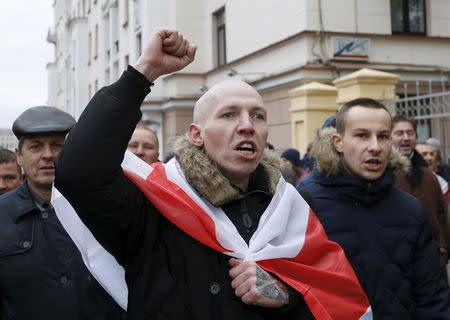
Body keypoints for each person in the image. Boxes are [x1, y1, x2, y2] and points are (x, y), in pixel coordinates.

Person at [54, 29, 374, 320]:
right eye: (229, 114)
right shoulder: (152, 203)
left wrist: (285, 295)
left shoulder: (291, 207)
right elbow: (78, 171)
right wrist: (141, 75)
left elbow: (332, 299)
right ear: (197, 134)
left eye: (258, 116)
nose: (247, 124)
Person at [298, 98, 449, 319]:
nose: (375, 147)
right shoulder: (306, 201)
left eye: (383, 136)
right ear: (338, 142)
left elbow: (432, 296)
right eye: (362, 136)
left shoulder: (411, 210)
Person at [0, 106, 125, 319]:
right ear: (19, 156)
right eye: (36, 147)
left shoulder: (107, 207)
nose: (48, 155)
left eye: (57, 145)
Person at [391, 115, 448, 267]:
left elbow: (441, 213)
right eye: (399, 133)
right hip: (398, 259)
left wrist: (443, 247)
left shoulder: (428, 174)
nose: (406, 138)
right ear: (389, 137)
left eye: (410, 133)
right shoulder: (383, 172)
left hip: (433, 258)